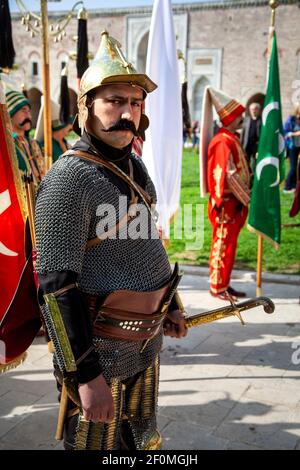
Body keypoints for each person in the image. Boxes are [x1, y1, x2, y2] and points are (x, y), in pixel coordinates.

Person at [35, 31, 187, 451]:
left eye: (135, 103)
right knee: (97, 446)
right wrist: (86, 376)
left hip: (144, 340)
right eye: (115, 101)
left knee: (140, 442)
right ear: (88, 108)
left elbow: (146, 245)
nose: (128, 112)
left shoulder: (136, 167)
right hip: (99, 352)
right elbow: (54, 289)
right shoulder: (68, 180)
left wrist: (170, 306)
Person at [200, 86, 251, 301]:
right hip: (226, 204)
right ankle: (217, 286)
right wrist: (248, 198)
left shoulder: (230, 137)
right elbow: (228, 175)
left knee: (229, 247)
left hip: (233, 203)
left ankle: (225, 284)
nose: (242, 118)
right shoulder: (223, 141)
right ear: (230, 117)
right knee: (222, 246)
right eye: (239, 115)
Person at [5, 90, 44, 185]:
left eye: (28, 111)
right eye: (23, 110)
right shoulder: (7, 147)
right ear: (10, 114)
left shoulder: (34, 143)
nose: (29, 115)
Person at [35, 99, 73, 164]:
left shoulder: (65, 143)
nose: (70, 133)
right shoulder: (45, 146)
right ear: (60, 128)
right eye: (69, 130)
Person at [283, 104, 300, 193]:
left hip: (299, 146)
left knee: (298, 167)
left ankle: (294, 186)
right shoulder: (291, 119)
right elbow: (285, 131)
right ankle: (287, 187)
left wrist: (293, 134)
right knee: (293, 167)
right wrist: (292, 134)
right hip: (292, 146)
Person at [240, 102, 262, 173]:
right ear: (250, 110)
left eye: (256, 109)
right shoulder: (246, 120)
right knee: (245, 162)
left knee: (254, 163)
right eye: (252, 109)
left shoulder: (261, 121)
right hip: (247, 145)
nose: (254, 111)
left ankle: (254, 176)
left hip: (256, 147)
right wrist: (240, 144)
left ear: (259, 110)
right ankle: (247, 176)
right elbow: (242, 134)